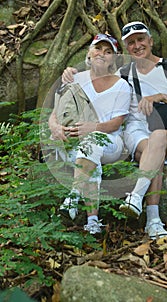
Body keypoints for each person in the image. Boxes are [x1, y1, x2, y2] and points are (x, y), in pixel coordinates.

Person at [62, 22, 167, 240]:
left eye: (140, 40)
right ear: (127, 48)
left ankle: (135, 196)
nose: (137, 45)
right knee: (154, 148)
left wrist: (160, 97)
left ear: (151, 41)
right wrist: (71, 73)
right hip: (136, 131)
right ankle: (153, 219)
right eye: (131, 42)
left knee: (159, 136)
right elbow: (96, 76)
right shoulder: (123, 73)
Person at [48, 33, 131, 235]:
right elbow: (55, 113)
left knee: (92, 142)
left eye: (108, 51)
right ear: (89, 52)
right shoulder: (74, 79)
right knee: (88, 153)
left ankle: (74, 194)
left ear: (114, 58)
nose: (102, 54)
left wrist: (92, 128)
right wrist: (55, 128)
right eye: (98, 49)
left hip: (110, 142)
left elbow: (116, 123)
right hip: (74, 141)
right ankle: (92, 220)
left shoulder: (121, 85)